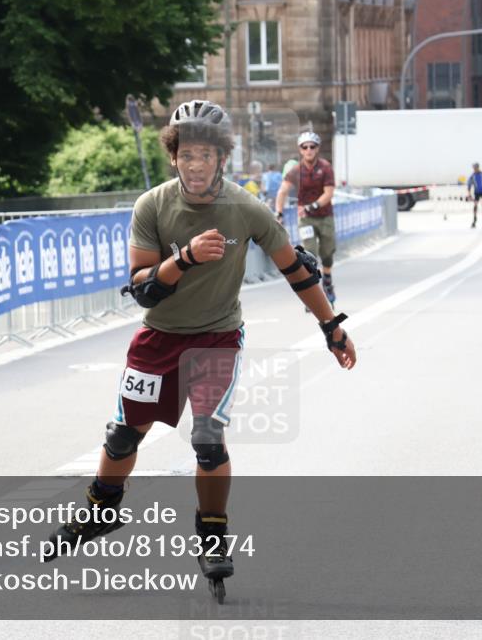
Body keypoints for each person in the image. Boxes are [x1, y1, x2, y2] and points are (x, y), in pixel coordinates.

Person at [48, 100, 357, 588]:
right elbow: (143, 288)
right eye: (187, 154)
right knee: (124, 435)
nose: (196, 165)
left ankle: (212, 535)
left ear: (222, 158)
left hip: (217, 337)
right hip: (158, 336)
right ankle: (101, 510)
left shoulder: (245, 208)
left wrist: (331, 327)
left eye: (206, 155)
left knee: (208, 440)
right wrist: (185, 259)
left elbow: (297, 270)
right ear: (173, 156)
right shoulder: (152, 206)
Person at [275, 132, 339, 305]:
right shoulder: (296, 171)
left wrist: (314, 205)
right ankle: (314, 293)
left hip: (325, 216)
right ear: (300, 150)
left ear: (317, 149)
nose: (309, 150)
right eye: (305, 147)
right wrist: (279, 213)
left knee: (327, 253)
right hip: (306, 219)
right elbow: (282, 191)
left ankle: (327, 280)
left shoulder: (325, 167)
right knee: (309, 254)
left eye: (312, 146)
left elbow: (329, 193)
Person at [466, 162, 482, 228]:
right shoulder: (473, 176)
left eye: (476, 168)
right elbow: (469, 185)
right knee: (475, 205)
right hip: (476, 192)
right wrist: (469, 194)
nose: (475, 169)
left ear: (478, 167)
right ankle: (475, 219)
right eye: (474, 168)